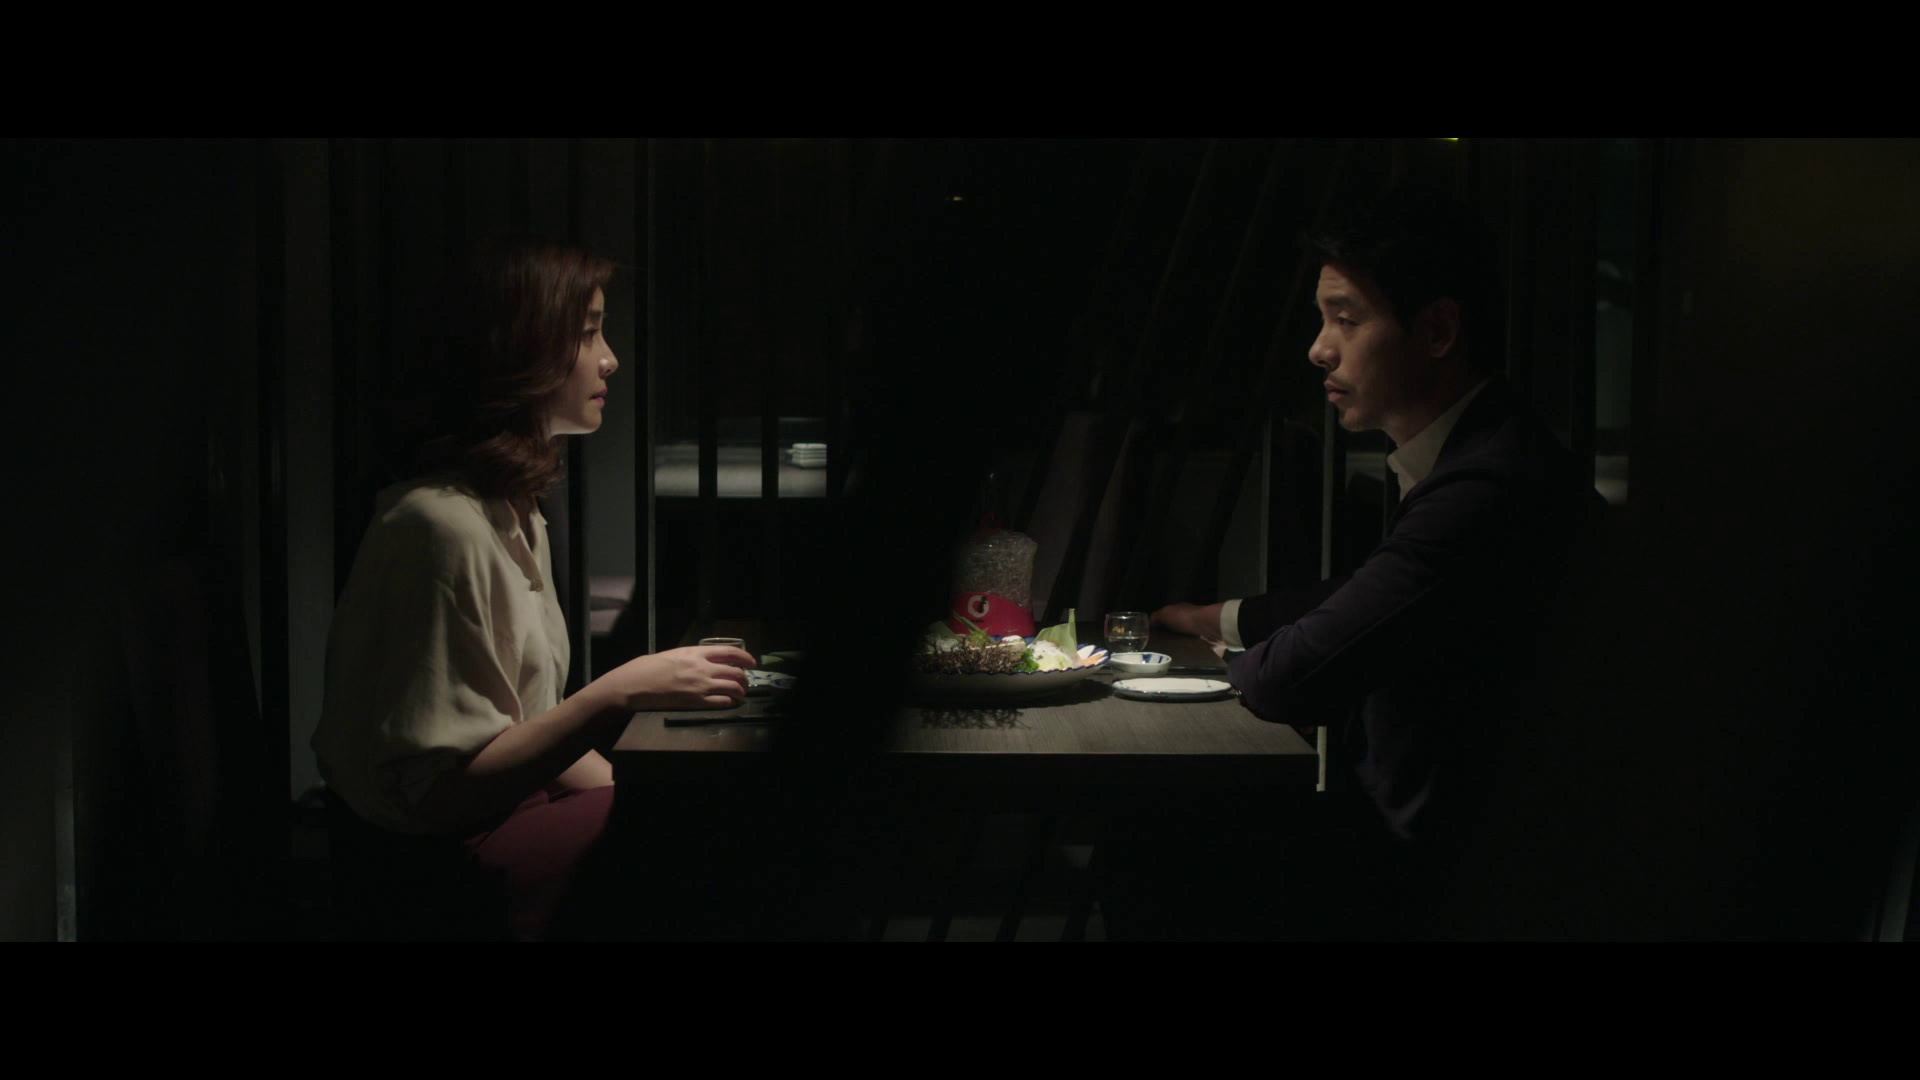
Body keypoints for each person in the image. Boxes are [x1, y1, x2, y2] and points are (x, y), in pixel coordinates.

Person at [1142, 184, 1602, 938]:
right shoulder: (1487, 448)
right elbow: (1372, 591)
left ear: (1438, 329)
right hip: (1444, 848)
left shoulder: (1486, 486)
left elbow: (1291, 678)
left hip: (1449, 877)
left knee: (1159, 844)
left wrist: (1240, 655)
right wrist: (1216, 618)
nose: (1319, 348)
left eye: (1346, 319)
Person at [312, 236, 755, 941]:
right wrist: (619, 692)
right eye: (587, 332)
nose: (609, 358)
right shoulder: (437, 524)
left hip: (498, 815)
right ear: (520, 349)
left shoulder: (513, 506)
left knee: (713, 814)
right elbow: (437, 794)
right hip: (431, 855)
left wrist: (637, 783)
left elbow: (524, 724)